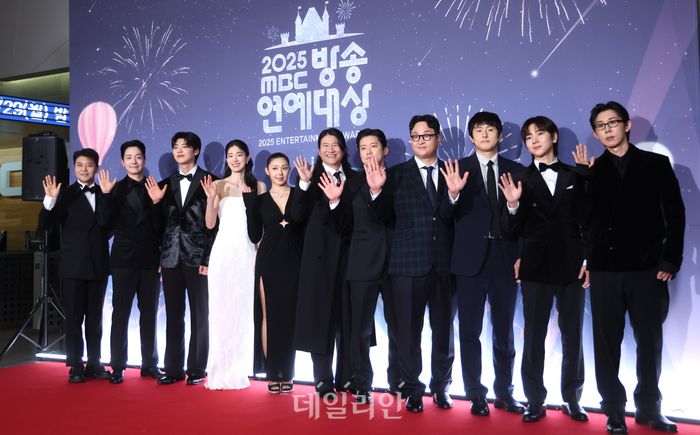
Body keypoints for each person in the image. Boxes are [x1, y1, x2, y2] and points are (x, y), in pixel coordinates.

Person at [577, 101, 685, 434]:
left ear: (627, 126)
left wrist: (670, 258)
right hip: (605, 269)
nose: (607, 129)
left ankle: (649, 408)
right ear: (595, 133)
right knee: (606, 343)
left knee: (650, 341)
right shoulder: (592, 171)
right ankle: (613, 410)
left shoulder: (655, 164)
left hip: (647, 268)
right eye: (601, 126)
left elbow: (675, 213)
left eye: (613, 122)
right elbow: (583, 223)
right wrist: (587, 260)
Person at [498, 116, 590, 422]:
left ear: (554, 136)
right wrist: (513, 205)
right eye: (528, 137)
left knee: (573, 335)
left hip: (571, 266)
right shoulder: (517, 178)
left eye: (539, 133)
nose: (534, 140)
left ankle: (573, 398)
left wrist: (587, 260)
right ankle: (534, 400)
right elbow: (509, 229)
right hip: (535, 267)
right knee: (533, 336)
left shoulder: (576, 174)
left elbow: (588, 221)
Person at [368, 115, 457, 413]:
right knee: (407, 333)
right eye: (416, 136)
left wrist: (453, 195)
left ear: (438, 138)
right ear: (410, 140)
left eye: (427, 135)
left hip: (444, 263)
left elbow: (455, 218)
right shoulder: (394, 175)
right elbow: (381, 218)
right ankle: (412, 389)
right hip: (407, 264)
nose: (421, 140)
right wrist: (376, 192)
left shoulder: (452, 172)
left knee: (444, 331)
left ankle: (442, 387)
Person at [441, 111, 525, 416]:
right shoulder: (455, 169)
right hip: (469, 263)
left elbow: (525, 223)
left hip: (504, 259)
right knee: (469, 331)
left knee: (504, 331)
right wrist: (452, 194)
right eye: (479, 129)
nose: (485, 134)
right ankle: (475, 393)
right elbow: (444, 218)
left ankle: (505, 392)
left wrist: (513, 205)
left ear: (500, 135)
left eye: (490, 129)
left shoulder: (517, 171)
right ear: (471, 136)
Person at [317, 128, 400, 404]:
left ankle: (398, 380)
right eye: (363, 148)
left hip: (396, 263)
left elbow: (392, 217)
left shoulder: (399, 178)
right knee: (359, 330)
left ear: (384, 150)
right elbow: (343, 227)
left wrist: (378, 191)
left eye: (373, 146)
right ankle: (363, 383)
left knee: (399, 327)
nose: (368, 152)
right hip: (361, 264)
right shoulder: (350, 184)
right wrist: (334, 202)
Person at [289, 128, 358, 399]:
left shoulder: (356, 179)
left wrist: (337, 201)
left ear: (343, 149)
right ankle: (322, 378)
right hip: (317, 262)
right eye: (325, 145)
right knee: (320, 320)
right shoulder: (309, 178)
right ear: (318, 150)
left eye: (335, 145)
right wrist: (304, 185)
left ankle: (347, 377)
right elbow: (295, 216)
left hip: (349, 259)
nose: (330, 150)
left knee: (348, 321)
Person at [144, 132, 217, 386]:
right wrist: (155, 203)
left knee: (200, 316)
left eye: (185, 146)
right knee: (173, 315)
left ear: (195, 150)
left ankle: (197, 369)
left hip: (198, 259)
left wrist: (207, 258)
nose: (179, 150)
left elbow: (215, 227)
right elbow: (157, 227)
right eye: (176, 146)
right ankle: (173, 369)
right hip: (171, 258)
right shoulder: (164, 185)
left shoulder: (211, 181)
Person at [39, 148, 111, 383]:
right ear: (75, 168)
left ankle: (95, 362)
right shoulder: (65, 194)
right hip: (72, 266)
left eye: (89, 165)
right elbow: (46, 225)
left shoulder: (105, 192)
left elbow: (108, 226)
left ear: (96, 168)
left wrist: (107, 197)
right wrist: (50, 200)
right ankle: (76, 365)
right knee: (73, 319)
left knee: (95, 320)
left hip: (98, 265)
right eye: (80, 165)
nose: (84, 169)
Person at [200, 139, 266, 390]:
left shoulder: (258, 186)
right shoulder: (218, 185)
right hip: (223, 253)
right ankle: (218, 371)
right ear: (226, 159)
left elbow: (261, 225)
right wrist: (210, 199)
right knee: (220, 312)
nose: (235, 159)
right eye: (230, 155)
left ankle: (240, 369)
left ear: (248, 158)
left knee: (243, 311)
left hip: (247, 253)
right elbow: (209, 224)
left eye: (239, 154)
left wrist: (259, 256)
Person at [98, 140, 164, 384]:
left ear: (144, 159)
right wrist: (106, 196)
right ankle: (117, 366)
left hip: (149, 259)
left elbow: (162, 227)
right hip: (123, 260)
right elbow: (104, 224)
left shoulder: (156, 187)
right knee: (120, 314)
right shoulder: (114, 189)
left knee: (149, 314)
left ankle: (150, 364)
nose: (134, 161)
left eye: (138, 157)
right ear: (122, 161)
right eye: (129, 157)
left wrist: (157, 203)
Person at [245, 152, 302, 393]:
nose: (280, 172)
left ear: (289, 170)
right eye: (275, 168)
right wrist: (249, 206)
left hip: (295, 261)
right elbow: (254, 236)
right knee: (268, 315)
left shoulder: (300, 194)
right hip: (268, 262)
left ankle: (287, 373)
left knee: (289, 318)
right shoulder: (259, 201)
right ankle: (272, 373)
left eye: (284, 168)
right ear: (267, 171)